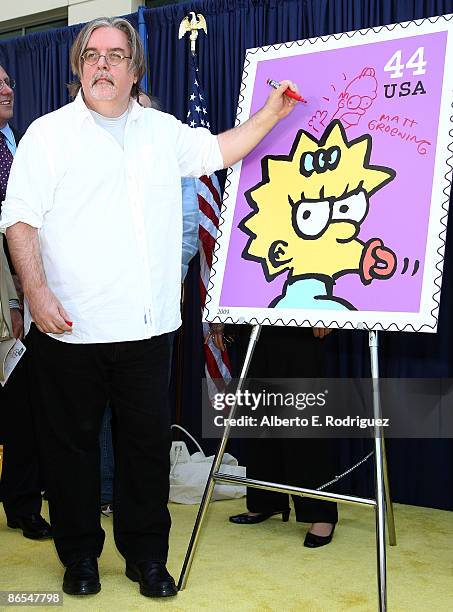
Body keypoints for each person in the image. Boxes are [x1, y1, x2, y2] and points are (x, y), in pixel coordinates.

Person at [0, 17, 297, 598]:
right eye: (91, 55)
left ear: (135, 69)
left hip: (148, 331)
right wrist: (35, 293)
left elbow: (219, 149)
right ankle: (80, 556)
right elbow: (19, 220)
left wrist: (271, 115)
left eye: (115, 55)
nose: (102, 65)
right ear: (77, 67)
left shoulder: (164, 132)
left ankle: (146, 558)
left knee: (143, 452)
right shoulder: (47, 135)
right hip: (68, 330)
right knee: (71, 453)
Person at [99, 91, 200, 515]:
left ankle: (143, 502)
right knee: (99, 409)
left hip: (153, 313)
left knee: (145, 413)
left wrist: (162, 280)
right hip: (99, 307)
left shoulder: (173, 159)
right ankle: (104, 492)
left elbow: (188, 228)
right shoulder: (93, 154)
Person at [211, 324, 337, 547]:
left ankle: (320, 513)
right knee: (257, 415)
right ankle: (265, 501)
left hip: (301, 319)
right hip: (251, 320)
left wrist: (325, 309)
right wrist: (219, 316)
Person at [0, 64, 51, 541]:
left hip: (17, 301)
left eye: (8, 79)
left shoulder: (16, 146)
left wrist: (19, 300)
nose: (8, 88)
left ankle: (21, 502)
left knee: (23, 407)